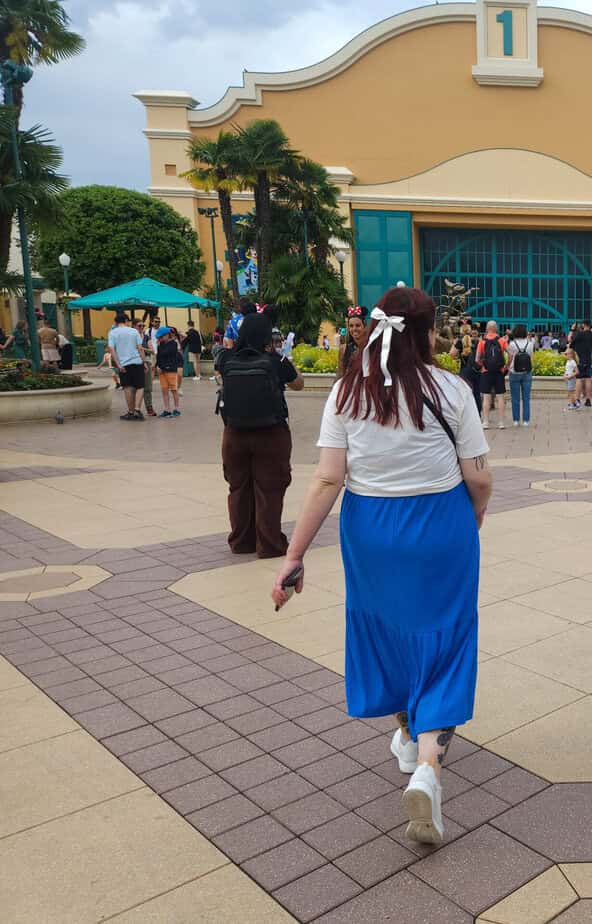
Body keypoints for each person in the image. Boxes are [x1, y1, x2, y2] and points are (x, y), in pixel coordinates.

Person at [272, 285, 492, 846]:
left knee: (386, 633)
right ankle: (427, 764)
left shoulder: (348, 391)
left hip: (370, 528)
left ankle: (407, 735)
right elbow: (478, 475)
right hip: (441, 523)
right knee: (447, 637)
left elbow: (326, 478)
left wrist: (294, 555)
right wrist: (475, 517)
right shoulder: (453, 388)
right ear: (428, 330)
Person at [216, 312, 304, 557]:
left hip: (234, 433)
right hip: (271, 433)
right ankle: (269, 544)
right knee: (270, 489)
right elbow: (299, 384)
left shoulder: (226, 358)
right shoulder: (276, 360)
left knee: (238, 488)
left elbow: (221, 379)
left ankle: (241, 541)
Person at [107, 314, 147, 421]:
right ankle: (138, 410)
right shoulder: (134, 331)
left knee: (127, 387)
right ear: (126, 320)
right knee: (140, 386)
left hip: (124, 364)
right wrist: (144, 362)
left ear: (116, 322)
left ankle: (131, 412)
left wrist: (119, 364)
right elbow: (140, 348)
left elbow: (111, 349)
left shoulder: (112, 333)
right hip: (137, 362)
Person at [477, 320, 508, 428]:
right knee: (500, 397)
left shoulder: (482, 342)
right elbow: (511, 354)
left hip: (486, 372)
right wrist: (506, 366)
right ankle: (501, 422)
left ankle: (485, 422)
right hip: (499, 372)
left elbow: (477, 359)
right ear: (496, 328)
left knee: (486, 397)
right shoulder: (502, 340)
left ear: (486, 329)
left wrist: (483, 365)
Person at [506, 323, 535, 427]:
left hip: (514, 372)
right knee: (526, 398)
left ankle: (516, 420)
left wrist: (507, 367)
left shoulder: (512, 344)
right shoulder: (530, 344)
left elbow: (509, 358)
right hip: (527, 372)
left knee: (515, 398)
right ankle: (526, 420)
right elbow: (531, 358)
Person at [154, 326, 183, 418]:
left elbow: (168, 355)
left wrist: (161, 366)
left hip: (171, 370)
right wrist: (157, 366)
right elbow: (159, 357)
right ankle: (167, 409)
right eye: (159, 337)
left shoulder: (173, 344)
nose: (160, 339)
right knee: (164, 390)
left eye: (161, 337)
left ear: (167, 335)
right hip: (162, 371)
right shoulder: (160, 345)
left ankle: (177, 409)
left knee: (174, 390)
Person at [571, 322, 592, 407]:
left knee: (579, 379)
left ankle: (578, 399)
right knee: (588, 379)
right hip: (588, 359)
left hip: (580, 359)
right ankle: (588, 400)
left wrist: (573, 329)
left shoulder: (580, 334)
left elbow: (571, 342)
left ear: (584, 325)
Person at [339, 307, 368, 378]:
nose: (354, 329)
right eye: (351, 326)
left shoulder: (370, 347)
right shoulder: (344, 349)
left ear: (364, 326)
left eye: (358, 325)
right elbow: (340, 375)